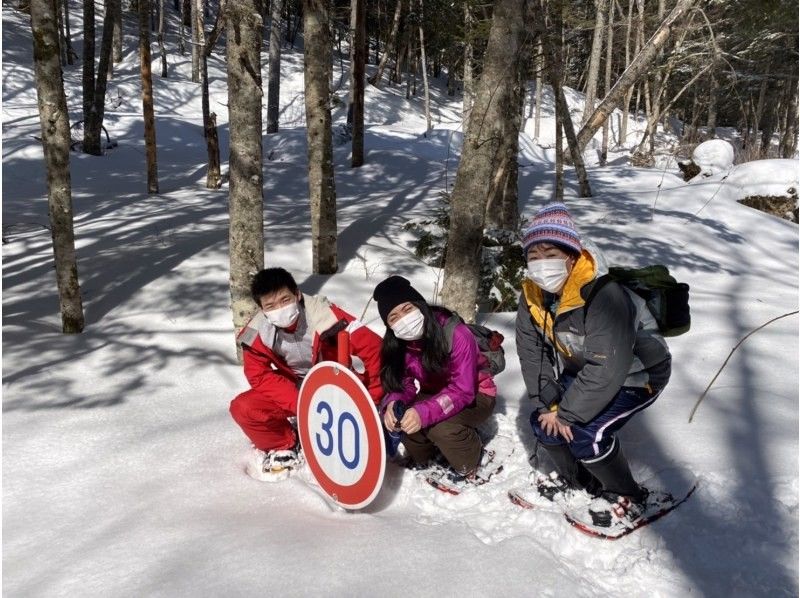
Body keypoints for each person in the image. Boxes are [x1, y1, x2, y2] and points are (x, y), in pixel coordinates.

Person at [516, 203, 671, 525]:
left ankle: (628, 495)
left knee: (587, 433)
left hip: (638, 376)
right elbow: (531, 351)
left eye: (551, 255)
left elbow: (608, 366)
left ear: (572, 257)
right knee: (542, 423)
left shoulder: (605, 294)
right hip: (584, 371)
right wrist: (548, 404)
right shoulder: (532, 295)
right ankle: (578, 481)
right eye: (533, 257)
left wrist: (568, 413)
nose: (541, 265)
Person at [230, 267, 383, 481]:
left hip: (337, 384)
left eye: (285, 300)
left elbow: (374, 347)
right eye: (271, 306)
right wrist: (301, 404)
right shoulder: (256, 332)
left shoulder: (326, 315)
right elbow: (259, 375)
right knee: (244, 408)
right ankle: (284, 443)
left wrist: (374, 397)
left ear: (297, 294)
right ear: (262, 309)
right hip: (298, 388)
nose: (280, 309)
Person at [372, 275, 496, 481]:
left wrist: (423, 413)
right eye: (393, 317)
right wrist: (394, 403)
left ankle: (473, 458)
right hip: (437, 393)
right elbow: (403, 382)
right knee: (404, 419)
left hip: (477, 395)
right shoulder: (400, 344)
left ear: (420, 305)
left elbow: (463, 390)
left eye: (407, 309)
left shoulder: (456, 333)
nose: (403, 319)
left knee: (440, 427)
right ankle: (429, 457)